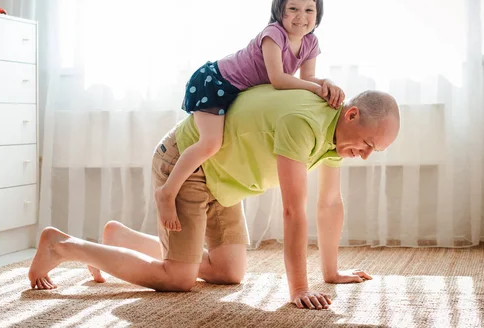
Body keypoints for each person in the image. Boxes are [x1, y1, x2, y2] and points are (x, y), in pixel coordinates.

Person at [29, 85, 400, 310]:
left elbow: (330, 203)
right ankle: (63, 245)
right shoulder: (304, 123)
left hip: (224, 182)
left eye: (374, 151)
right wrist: (299, 289)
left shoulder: (338, 140)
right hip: (188, 163)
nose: (365, 155)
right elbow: (291, 210)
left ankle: (120, 239)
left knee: (229, 272)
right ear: (351, 114)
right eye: (367, 144)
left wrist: (331, 273)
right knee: (179, 278)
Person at [155, 0, 345, 232]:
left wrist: (326, 83)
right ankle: (167, 192)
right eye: (293, 9)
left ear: (317, 15)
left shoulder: (311, 43)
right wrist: (318, 90)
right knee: (210, 143)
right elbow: (278, 79)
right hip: (215, 82)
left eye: (309, 10)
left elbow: (307, 78)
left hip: (235, 91)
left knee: (220, 141)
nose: (301, 17)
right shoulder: (273, 34)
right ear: (280, 11)